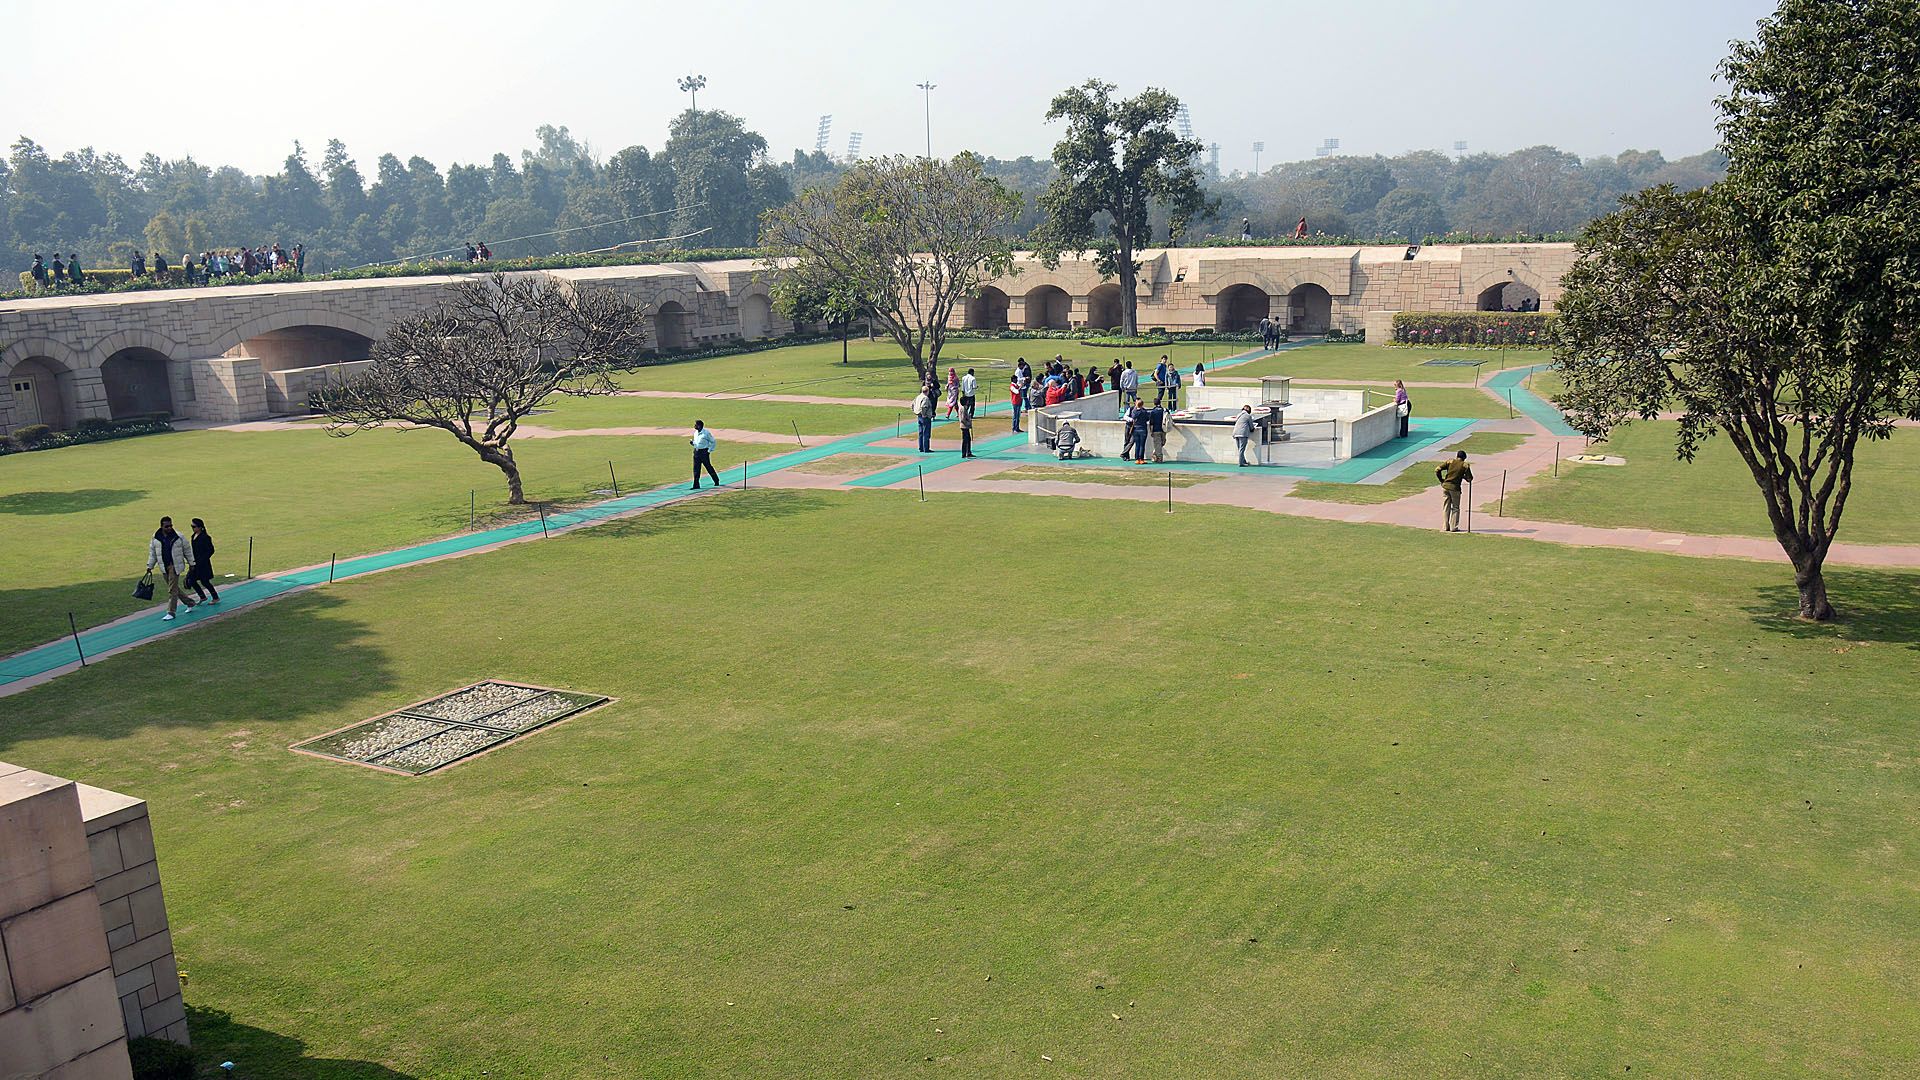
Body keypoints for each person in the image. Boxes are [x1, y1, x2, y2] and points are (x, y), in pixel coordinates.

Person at [145, 517, 197, 620]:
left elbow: (187, 550)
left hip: (175, 566)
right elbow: (153, 553)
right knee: (174, 588)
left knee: (172, 589)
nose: (169, 528)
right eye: (167, 526)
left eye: (171, 525)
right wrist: (149, 566)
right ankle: (190, 602)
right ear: (161, 526)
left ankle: (171, 612)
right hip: (163, 566)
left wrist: (192, 563)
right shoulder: (156, 537)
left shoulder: (178, 536)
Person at [1436, 450, 1473, 532]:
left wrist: (1441, 480)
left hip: (1445, 487)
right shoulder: (1465, 465)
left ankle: (1445, 526)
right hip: (1455, 489)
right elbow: (1470, 478)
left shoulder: (1450, 461)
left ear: (1457, 456)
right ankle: (1454, 527)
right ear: (1464, 458)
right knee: (1455, 508)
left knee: (1446, 507)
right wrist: (1463, 477)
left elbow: (1437, 469)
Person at [185, 518, 220, 605]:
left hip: (203, 564)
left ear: (200, 527)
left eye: (194, 526)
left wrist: (203, 559)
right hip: (195, 563)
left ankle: (215, 597)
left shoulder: (205, 537)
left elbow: (211, 550)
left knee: (205, 581)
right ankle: (202, 596)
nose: (193, 528)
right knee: (191, 580)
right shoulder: (193, 536)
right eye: (191, 526)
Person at [690, 420, 720, 489]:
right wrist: (693, 443)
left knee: (708, 467)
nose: (694, 426)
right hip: (696, 452)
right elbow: (697, 443)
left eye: (696, 425)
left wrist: (709, 451)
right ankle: (696, 485)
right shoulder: (695, 433)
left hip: (704, 453)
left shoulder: (706, 433)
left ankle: (716, 480)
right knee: (696, 469)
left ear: (699, 426)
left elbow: (713, 442)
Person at [912, 385, 934, 453]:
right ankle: (926, 448)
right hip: (925, 417)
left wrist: (915, 411)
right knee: (926, 433)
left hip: (919, 416)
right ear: (927, 391)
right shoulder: (925, 398)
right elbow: (924, 407)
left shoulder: (918, 397)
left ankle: (921, 447)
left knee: (921, 433)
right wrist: (924, 414)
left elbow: (912, 405)